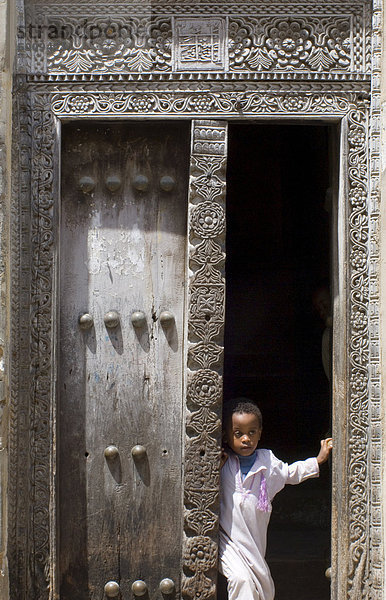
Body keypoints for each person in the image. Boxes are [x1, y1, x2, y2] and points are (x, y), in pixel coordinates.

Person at [219, 399, 333, 600]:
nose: (246, 439)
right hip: (227, 542)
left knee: (262, 589)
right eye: (238, 433)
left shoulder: (267, 463)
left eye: (252, 432)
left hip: (253, 544)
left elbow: (290, 473)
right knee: (241, 579)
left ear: (260, 433)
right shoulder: (223, 463)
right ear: (226, 436)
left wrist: (318, 460)